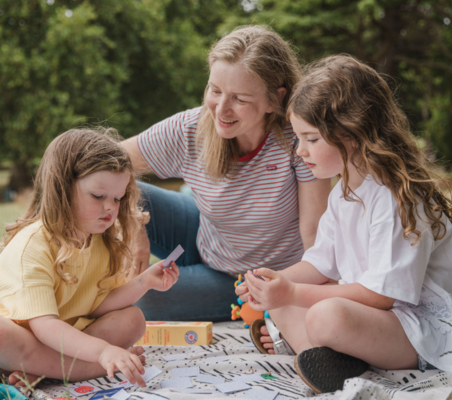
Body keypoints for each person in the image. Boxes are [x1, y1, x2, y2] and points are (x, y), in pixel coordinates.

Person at [237, 55, 452, 394]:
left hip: (424, 330)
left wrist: (295, 292)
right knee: (281, 302)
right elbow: (320, 263)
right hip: (379, 321)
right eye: (298, 139)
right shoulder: (343, 193)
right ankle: (331, 360)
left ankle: (335, 357)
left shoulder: (395, 197)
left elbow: (383, 295)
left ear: (351, 134)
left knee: (323, 315)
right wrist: (274, 282)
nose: (300, 151)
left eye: (311, 139)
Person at [120, 25, 331, 321]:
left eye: (240, 99)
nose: (221, 109)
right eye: (215, 91)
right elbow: (106, 160)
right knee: (130, 195)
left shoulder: (299, 139)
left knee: (139, 300)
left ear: (274, 99)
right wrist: (133, 222)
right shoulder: (190, 127)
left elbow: (315, 236)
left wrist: (304, 294)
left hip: (250, 278)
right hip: (204, 235)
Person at [0, 128, 180, 388]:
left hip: (69, 338)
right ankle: (85, 369)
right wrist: (103, 353)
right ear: (62, 188)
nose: (110, 207)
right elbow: (46, 326)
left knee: (134, 319)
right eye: (98, 196)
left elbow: (97, 306)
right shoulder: (32, 246)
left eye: (117, 198)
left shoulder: (102, 239)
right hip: (19, 342)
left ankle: (44, 371)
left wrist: (144, 282)